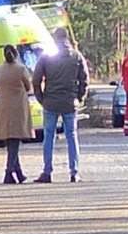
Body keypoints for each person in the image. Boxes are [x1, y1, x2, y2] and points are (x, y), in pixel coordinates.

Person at [32, 26, 89, 183]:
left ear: (54, 39)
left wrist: (41, 99)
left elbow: (36, 80)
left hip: (50, 102)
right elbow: (84, 80)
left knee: (48, 137)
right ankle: (74, 172)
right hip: (70, 102)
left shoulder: (46, 57)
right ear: (68, 38)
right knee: (71, 136)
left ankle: (47, 172)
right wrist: (79, 97)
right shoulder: (76, 56)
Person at [0, 44, 34, 184]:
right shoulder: (21, 69)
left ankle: (18, 172)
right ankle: (9, 171)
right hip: (17, 106)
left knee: (10, 138)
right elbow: (28, 87)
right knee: (15, 137)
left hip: (2, 105)